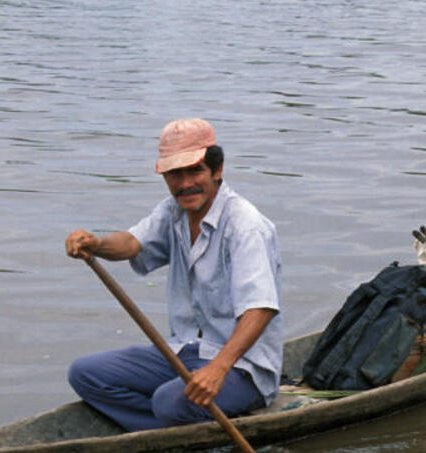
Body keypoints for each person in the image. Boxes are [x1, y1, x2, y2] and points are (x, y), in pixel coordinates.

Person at [64, 118, 282, 431]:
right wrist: (95, 244)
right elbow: (131, 244)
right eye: (174, 175)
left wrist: (219, 369)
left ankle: (168, 420)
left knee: (169, 401)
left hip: (241, 368)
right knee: (85, 373)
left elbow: (261, 308)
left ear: (216, 170)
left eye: (194, 171)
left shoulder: (245, 226)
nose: (184, 184)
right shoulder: (173, 212)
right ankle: (167, 428)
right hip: (185, 352)